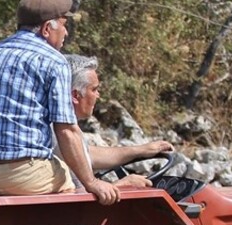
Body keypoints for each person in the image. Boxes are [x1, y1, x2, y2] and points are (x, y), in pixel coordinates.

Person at [0, 0, 118, 204]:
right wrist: (91, 182)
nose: (66, 33)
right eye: (63, 25)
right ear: (46, 29)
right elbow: (67, 131)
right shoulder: (54, 61)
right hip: (19, 176)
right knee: (73, 179)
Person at [65, 53, 173, 188]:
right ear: (76, 95)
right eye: (94, 89)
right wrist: (121, 185)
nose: (98, 95)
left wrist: (140, 150)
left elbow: (88, 154)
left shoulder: (60, 129)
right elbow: (75, 199)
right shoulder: (62, 134)